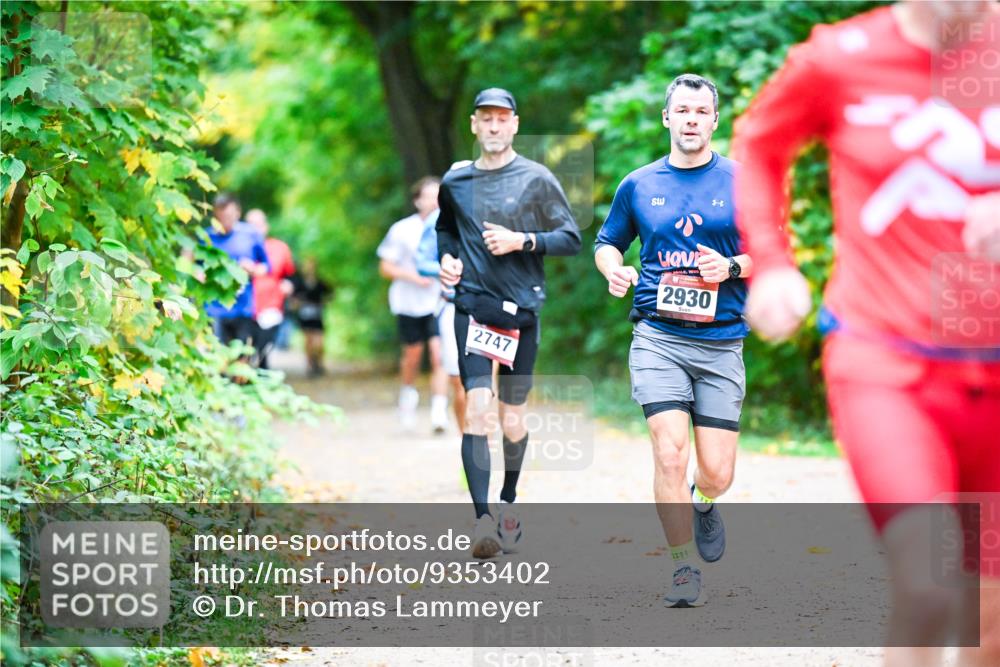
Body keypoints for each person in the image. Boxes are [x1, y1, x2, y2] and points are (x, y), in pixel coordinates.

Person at [732, 2, 999, 664]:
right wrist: (771, 264)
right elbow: (760, 146)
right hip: (887, 364)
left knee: (991, 617)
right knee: (930, 580)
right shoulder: (839, 57)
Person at [594, 74, 753, 607]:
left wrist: (730, 266)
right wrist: (613, 271)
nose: (690, 119)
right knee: (668, 453)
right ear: (667, 118)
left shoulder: (741, 181)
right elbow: (608, 243)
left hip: (721, 341)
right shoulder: (637, 184)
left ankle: (704, 500)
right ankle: (683, 569)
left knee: (717, 471)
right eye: (681, 110)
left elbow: (772, 251)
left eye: (700, 111)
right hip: (657, 337)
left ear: (714, 120)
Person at [437, 87, 581, 558]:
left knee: (512, 419)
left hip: (521, 311)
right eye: (486, 118)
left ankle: (508, 502)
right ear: (474, 126)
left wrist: (523, 241)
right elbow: (445, 228)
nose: (494, 126)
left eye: (503, 118)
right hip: (474, 306)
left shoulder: (537, 179)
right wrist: (448, 259)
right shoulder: (455, 182)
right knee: (477, 408)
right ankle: (481, 521)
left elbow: (571, 238)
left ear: (515, 125)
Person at [377, 177, 450, 433]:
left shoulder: (450, 226)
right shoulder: (401, 230)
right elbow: (385, 266)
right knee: (412, 355)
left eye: (437, 195)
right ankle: (408, 396)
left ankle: (439, 411)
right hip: (408, 302)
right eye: (428, 195)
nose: (432, 201)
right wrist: (413, 277)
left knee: (439, 354)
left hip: (438, 301)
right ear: (417, 200)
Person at [415, 197, 469, 431]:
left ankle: (482, 442)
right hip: (453, 305)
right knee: (459, 379)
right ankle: (467, 443)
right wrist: (446, 268)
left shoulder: (498, 213)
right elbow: (422, 262)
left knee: (487, 382)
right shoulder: (437, 221)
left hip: (494, 309)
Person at [205, 193, 270, 357]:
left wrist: (253, 269)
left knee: (242, 358)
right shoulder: (206, 237)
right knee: (218, 358)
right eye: (220, 216)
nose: (224, 220)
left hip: (243, 307)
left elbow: (266, 266)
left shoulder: (251, 235)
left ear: (237, 213)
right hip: (214, 308)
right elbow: (194, 267)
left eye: (228, 215)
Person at [246, 208, 295, 370]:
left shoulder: (280, 248)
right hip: (245, 308)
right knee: (246, 352)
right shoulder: (238, 248)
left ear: (265, 226)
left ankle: (261, 380)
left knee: (263, 349)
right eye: (250, 224)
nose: (255, 229)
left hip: (271, 307)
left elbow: (291, 275)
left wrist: (288, 284)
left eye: (258, 224)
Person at [290, 257, 331, 378]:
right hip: (305, 315)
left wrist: (323, 303)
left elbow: (330, 294)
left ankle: (319, 363)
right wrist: (297, 304)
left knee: (319, 342)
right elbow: (293, 299)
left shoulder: (320, 282)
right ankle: (310, 365)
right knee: (308, 341)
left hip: (317, 315)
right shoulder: (299, 283)